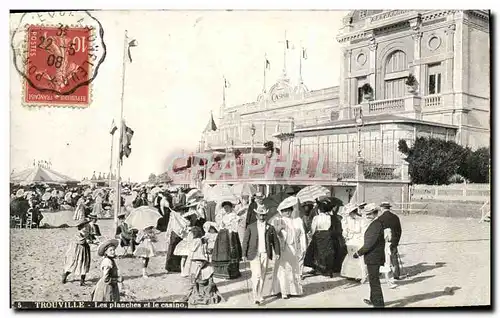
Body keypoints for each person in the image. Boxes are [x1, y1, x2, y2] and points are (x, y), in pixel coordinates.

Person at [242, 205, 280, 305]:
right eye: (260, 215)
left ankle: (260, 294)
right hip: (254, 254)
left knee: (263, 275)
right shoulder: (251, 227)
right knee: (257, 275)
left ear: (266, 215)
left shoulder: (270, 227)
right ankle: (255, 296)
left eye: (264, 215)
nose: (262, 217)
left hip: (265, 253)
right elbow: (245, 241)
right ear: (256, 215)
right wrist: (244, 254)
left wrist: (277, 252)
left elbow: (275, 241)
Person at [271, 196, 306, 299]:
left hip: (293, 247)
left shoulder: (296, 221)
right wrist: (278, 230)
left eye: (289, 210)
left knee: (293, 269)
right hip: (283, 248)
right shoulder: (278, 221)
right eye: (285, 211)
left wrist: (302, 246)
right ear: (282, 211)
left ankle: (294, 290)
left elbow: (301, 234)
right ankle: (283, 291)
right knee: (283, 269)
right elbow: (274, 234)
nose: (288, 212)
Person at [353, 203, 386, 308]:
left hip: (374, 257)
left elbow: (369, 243)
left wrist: (358, 253)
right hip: (374, 256)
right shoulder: (375, 223)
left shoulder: (376, 225)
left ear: (375, 213)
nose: (367, 216)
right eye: (366, 214)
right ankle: (374, 300)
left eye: (369, 214)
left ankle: (379, 304)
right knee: (372, 280)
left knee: (374, 281)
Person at [304, 196, 345, 277]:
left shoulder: (316, 218)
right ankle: (328, 269)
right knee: (328, 252)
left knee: (316, 252)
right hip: (327, 235)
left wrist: (312, 235)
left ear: (319, 209)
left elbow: (313, 229)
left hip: (318, 234)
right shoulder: (330, 217)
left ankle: (319, 268)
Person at [184, 226, 224, 305]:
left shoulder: (197, 240)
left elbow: (193, 248)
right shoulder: (199, 240)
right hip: (197, 259)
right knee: (195, 276)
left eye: (191, 233)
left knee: (195, 276)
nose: (190, 234)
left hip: (198, 259)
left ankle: (199, 293)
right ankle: (198, 292)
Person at [212, 201, 243, 279]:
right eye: (225, 208)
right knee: (222, 251)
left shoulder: (234, 215)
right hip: (223, 235)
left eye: (227, 208)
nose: (226, 209)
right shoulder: (223, 216)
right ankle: (222, 272)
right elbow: (221, 225)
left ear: (230, 208)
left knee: (231, 251)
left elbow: (235, 225)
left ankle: (233, 272)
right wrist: (222, 225)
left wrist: (230, 226)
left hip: (231, 235)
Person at [376, 202, 402, 280]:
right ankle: (396, 274)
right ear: (389, 208)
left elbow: (378, 231)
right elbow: (399, 230)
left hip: (383, 241)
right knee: (394, 257)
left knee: (381, 257)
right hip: (393, 241)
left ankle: (379, 273)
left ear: (382, 208)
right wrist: (396, 241)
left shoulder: (380, 218)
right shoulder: (395, 217)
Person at [340, 204, 366, 281]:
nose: (350, 215)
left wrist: (362, 238)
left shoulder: (361, 220)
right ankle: (350, 274)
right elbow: (344, 230)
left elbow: (363, 231)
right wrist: (346, 235)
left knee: (358, 257)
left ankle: (359, 275)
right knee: (351, 256)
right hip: (350, 240)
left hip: (359, 240)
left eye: (351, 213)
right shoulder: (346, 220)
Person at [62, 219, 92, 286]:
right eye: (85, 226)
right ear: (81, 227)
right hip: (78, 251)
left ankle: (82, 281)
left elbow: (90, 238)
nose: (86, 228)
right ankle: (65, 274)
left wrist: (90, 239)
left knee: (84, 264)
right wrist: (86, 240)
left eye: (87, 226)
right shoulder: (78, 234)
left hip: (85, 250)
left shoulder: (87, 233)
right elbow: (80, 241)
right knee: (74, 264)